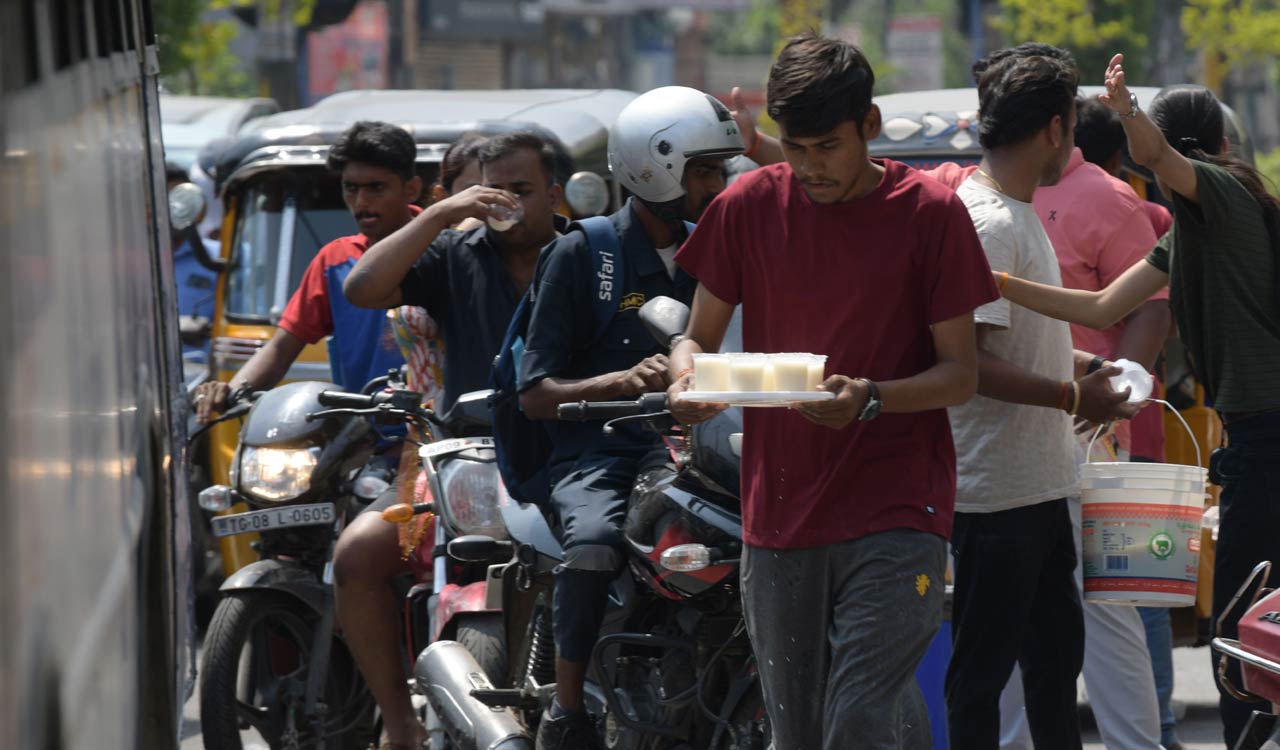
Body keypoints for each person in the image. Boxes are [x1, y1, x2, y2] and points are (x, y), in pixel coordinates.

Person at [668, 34, 999, 749]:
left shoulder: (931, 213)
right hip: (780, 512)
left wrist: (870, 398)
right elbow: (694, 338)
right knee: (800, 733)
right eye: (795, 148)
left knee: (858, 717)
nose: (811, 167)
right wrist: (685, 380)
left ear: (869, 126)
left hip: (900, 508)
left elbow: (960, 375)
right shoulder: (747, 204)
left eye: (828, 146)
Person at [995, 56, 1280, 748]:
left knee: (1240, 629)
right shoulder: (1187, 232)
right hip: (1253, 442)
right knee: (1254, 621)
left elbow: (1157, 157)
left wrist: (1124, 109)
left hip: (1268, 439)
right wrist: (996, 283)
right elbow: (1098, 305)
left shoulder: (1223, 193)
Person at [515, 86, 743, 750]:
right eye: (703, 171)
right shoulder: (582, 252)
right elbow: (534, 392)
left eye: (720, 170)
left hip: (700, 448)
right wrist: (622, 380)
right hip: (602, 451)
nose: (716, 185)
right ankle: (566, 710)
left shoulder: (717, 250)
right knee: (593, 544)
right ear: (654, 167)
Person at [337, 131, 566, 750]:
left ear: (554, 195)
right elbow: (361, 288)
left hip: (570, 462)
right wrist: (441, 216)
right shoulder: (454, 253)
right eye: (493, 191)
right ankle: (400, 723)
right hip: (466, 465)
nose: (505, 203)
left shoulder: (584, 251)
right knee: (356, 555)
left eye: (521, 190)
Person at [943, 49, 1140, 750]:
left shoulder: (1016, 212)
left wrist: (1089, 368)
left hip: (1041, 485)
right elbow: (966, 361)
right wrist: (1069, 393)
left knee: (1055, 668)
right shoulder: (989, 221)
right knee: (981, 678)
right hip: (995, 495)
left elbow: (1022, 338)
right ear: (1056, 128)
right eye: (1074, 129)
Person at [994, 93, 1172, 750]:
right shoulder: (980, 194)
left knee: (1111, 610)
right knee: (1009, 612)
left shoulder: (1111, 199)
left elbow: (1142, 306)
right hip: (1009, 433)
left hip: (1090, 437)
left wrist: (1118, 387)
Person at [190, 121, 417, 421]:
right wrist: (230, 393)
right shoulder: (334, 260)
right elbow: (282, 348)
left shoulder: (446, 246)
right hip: (366, 432)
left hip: (436, 432)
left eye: (376, 188)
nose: (361, 201)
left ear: (411, 189)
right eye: (351, 188)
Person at [389, 133, 489, 408]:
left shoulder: (504, 257)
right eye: (473, 191)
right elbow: (363, 287)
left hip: (474, 416)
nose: (486, 200)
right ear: (442, 197)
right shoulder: (428, 251)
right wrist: (457, 227)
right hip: (423, 420)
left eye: (495, 188)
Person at [166, 161, 221, 364]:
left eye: (181, 199)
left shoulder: (222, 257)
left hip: (204, 373)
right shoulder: (123, 264)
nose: (174, 210)